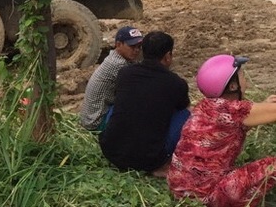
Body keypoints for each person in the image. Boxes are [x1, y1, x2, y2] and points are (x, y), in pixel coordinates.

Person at [168, 54, 276, 206]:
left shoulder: (205, 107)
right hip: (208, 196)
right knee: (272, 165)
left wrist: (263, 107)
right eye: (242, 76)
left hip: (182, 191)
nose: (246, 82)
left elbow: (236, 126)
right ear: (233, 86)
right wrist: (266, 109)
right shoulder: (233, 111)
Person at [98, 30, 190, 177]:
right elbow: (182, 107)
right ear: (167, 56)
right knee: (185, 114)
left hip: (112, 153)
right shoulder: (176, 83)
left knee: (118, 106)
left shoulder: (125, 73)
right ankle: (163, 162)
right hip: (150, 160)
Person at [79, 26, 144, 131]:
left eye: (139, 46)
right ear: (118, 44)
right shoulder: (118, 64)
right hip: (97, 121)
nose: (136, 50)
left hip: (91, 117)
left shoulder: (115, 57)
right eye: (132, 46)